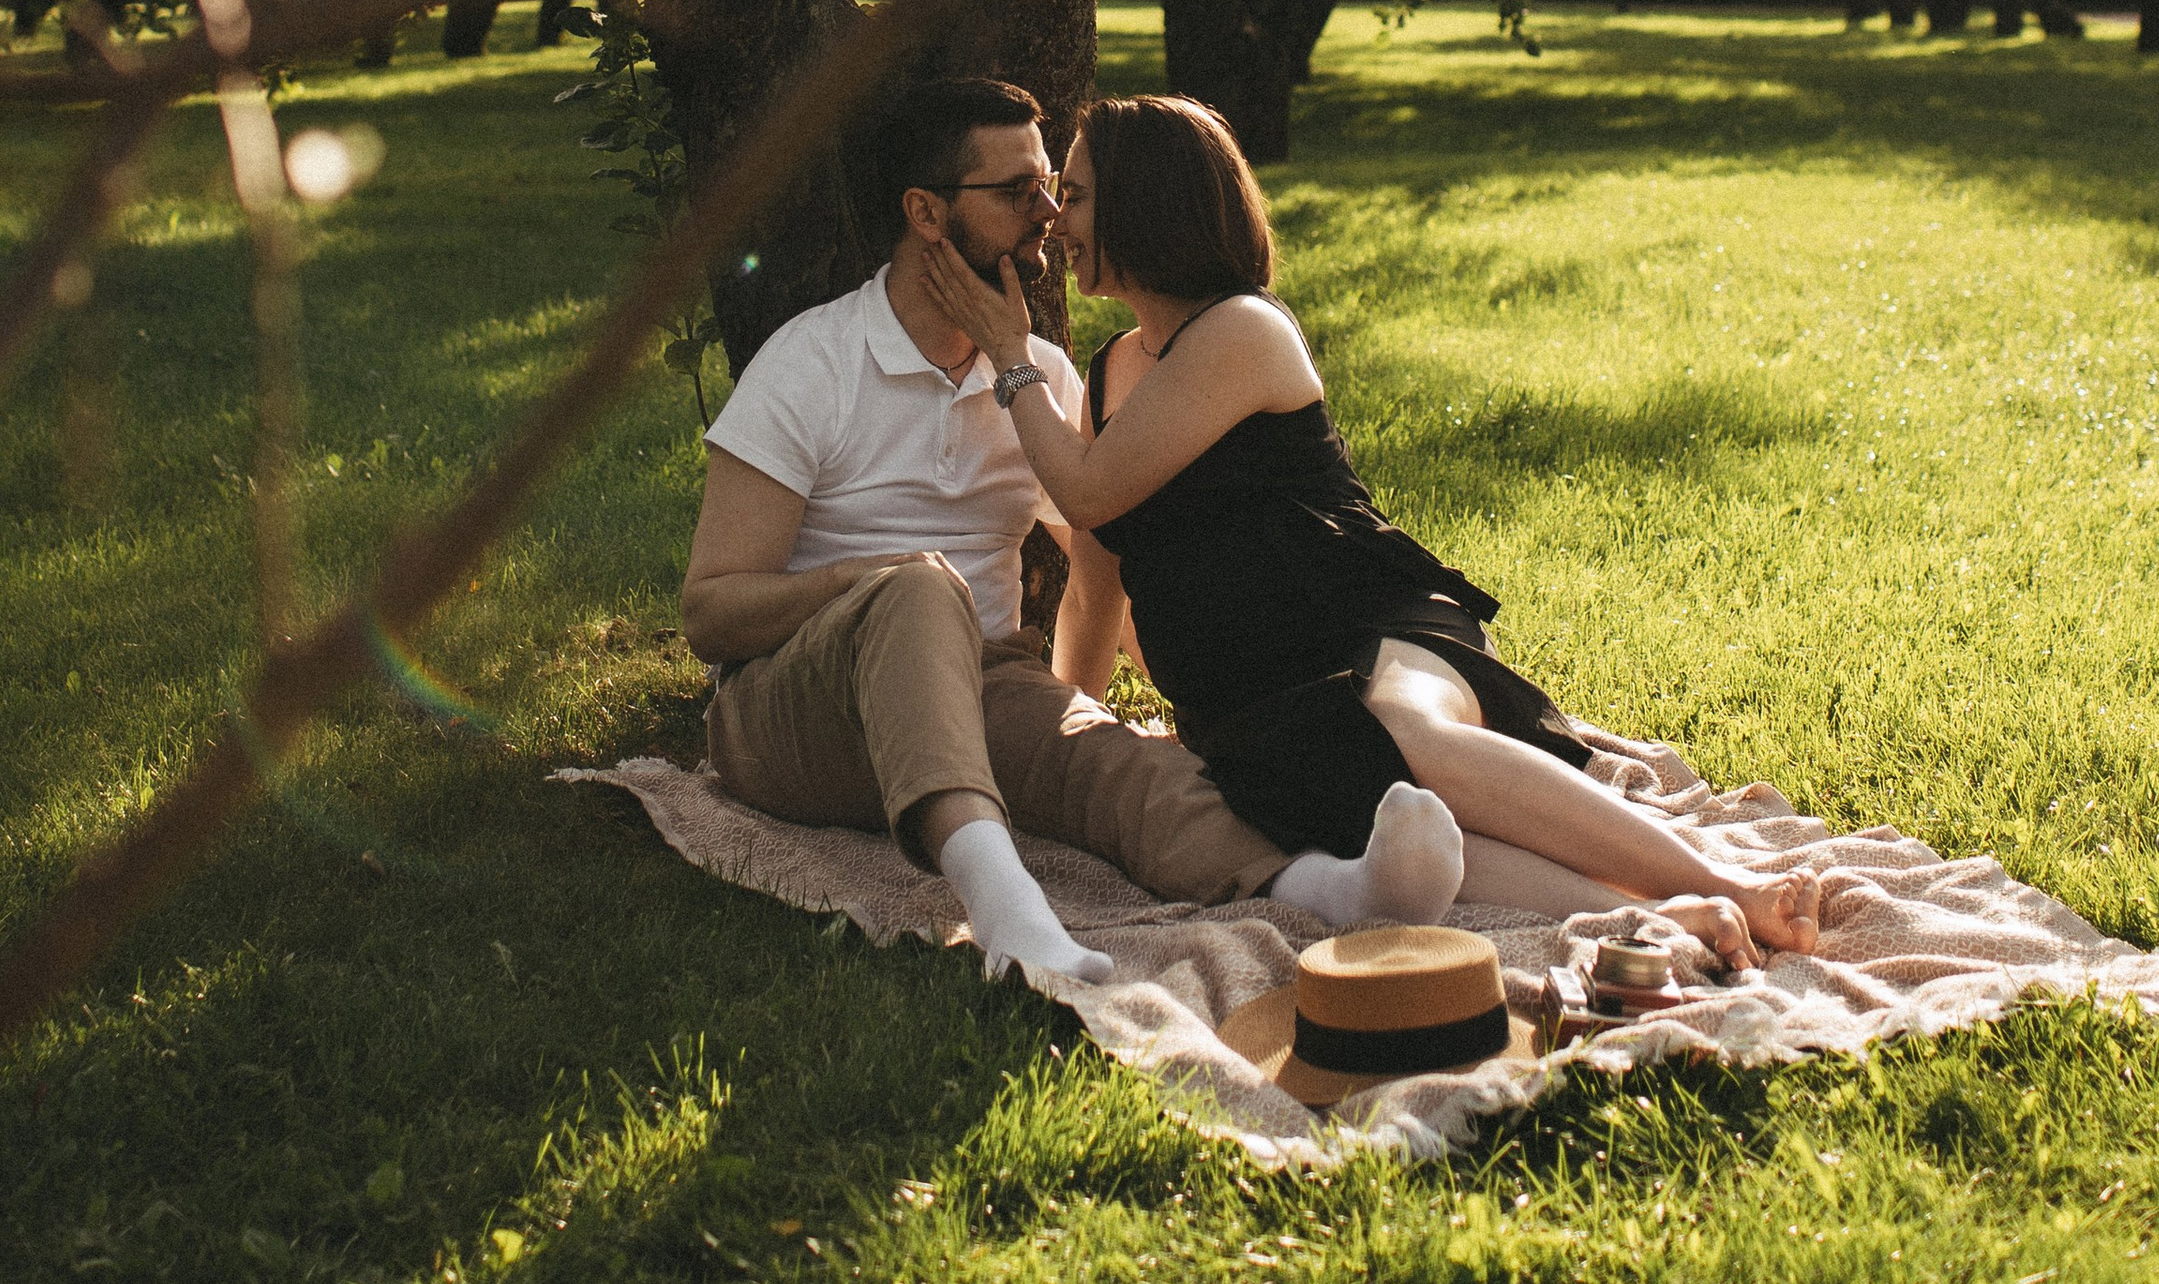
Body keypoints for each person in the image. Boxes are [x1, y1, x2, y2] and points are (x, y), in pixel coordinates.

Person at [914, 91, 1825, 970]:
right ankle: (1667, 915)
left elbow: (1088, 494)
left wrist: (1007, 351)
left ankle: (1731, 882)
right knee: (1381, 814)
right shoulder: (1112, 370)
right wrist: (1083, 718)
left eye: (1072, 195)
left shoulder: (1241, 332)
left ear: (1146, 205)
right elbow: (1097, 576)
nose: (1054, 220)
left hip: (1371, 629)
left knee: (1402, 732)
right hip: (1258, 703)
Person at [679, 77, 1469, 989]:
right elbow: (712, 611)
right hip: (794, 708)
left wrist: (1086, 718)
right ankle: (1010, 918)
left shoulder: (1041, 382)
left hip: (978, 682)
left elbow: (1101, 579)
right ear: (926, 213)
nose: (1049, 213)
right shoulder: (811, 362)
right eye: (1018, 192)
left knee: (1122, 766)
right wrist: (884, 579)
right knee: (919, 589)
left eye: (1054, 185)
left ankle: (1335, 889)